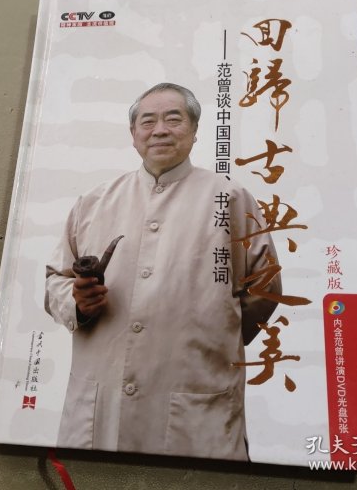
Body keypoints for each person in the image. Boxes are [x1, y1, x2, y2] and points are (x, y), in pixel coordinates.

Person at [45, 82, 282, 460]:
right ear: (133, 133)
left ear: (194, 129)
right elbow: (56, 279)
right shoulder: (94, 201)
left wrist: (212, 335)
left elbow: (264, 286)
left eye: (174, 119)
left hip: (194, 389)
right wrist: (77, 304)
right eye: (147, 121)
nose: (159, 130)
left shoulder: (229, 198)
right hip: (103, 395)